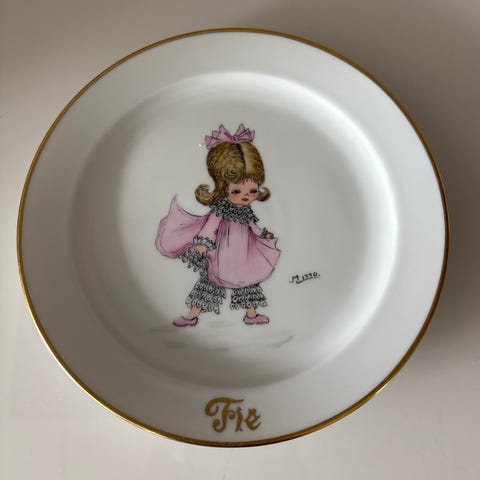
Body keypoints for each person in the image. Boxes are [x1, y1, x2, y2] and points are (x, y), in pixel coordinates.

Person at [156, 124, 280, 327]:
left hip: (243, 253)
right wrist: (203, 243)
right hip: (221, 253)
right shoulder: (221, 209)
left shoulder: (246, 210)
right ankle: (192, 315)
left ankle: (251, 314)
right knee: (210, 282)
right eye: (237, 191)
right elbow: (210, 227)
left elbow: (252, 225)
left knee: (247, 280)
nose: (246, 196)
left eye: (252, 190)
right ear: (223, 187)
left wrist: (263, 235)